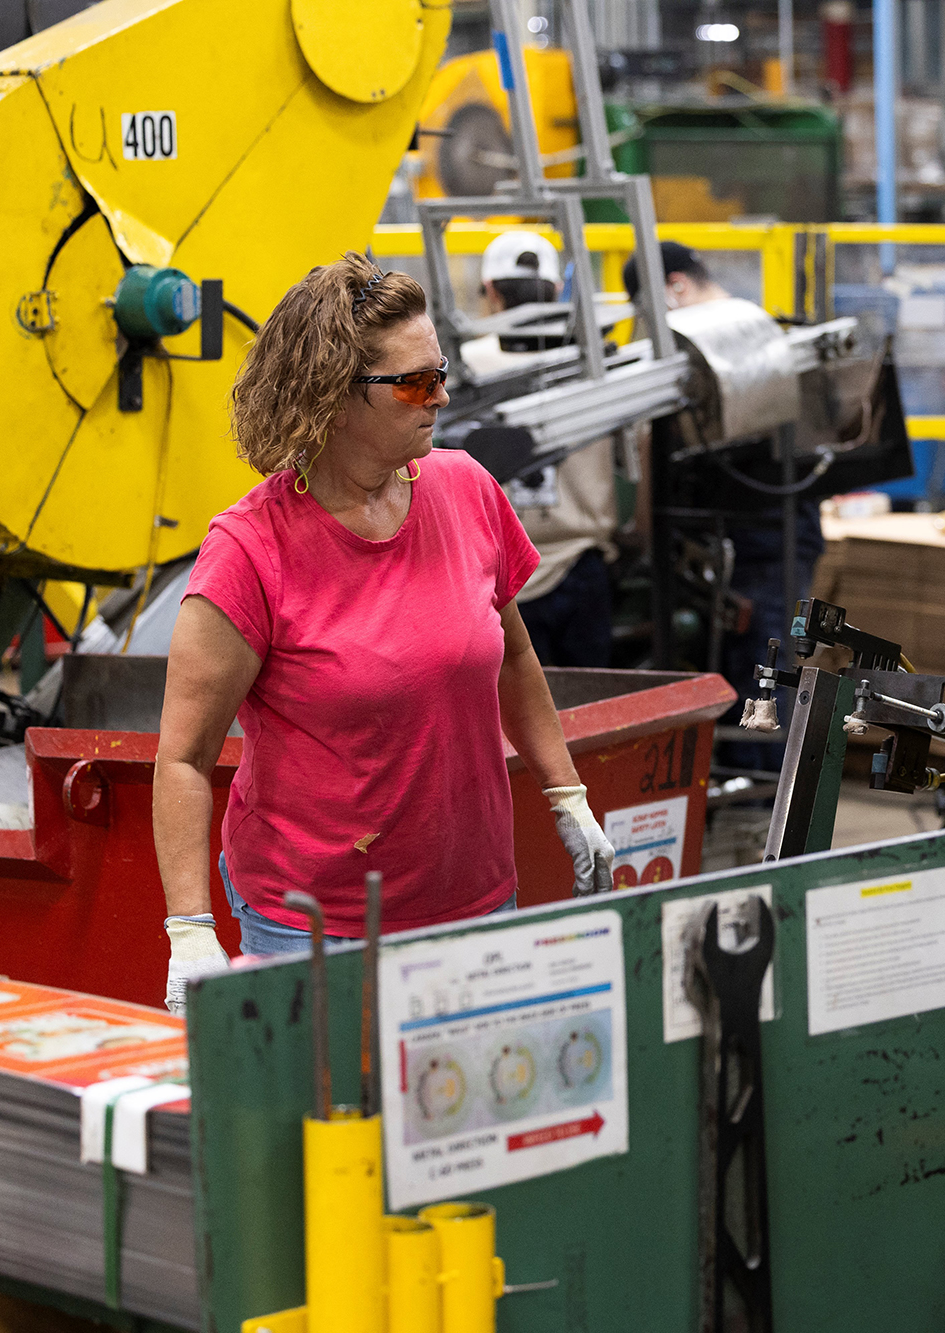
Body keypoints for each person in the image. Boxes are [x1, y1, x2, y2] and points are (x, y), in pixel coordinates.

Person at [154, 252, 616, 1015]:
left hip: (475, 905)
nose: (439, 397)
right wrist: (190, 927)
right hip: (314, 931)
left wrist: (566, 793)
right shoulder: (251, 550)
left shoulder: (466, 490)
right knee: (333, 1134)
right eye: (414, 382)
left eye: (441, 375)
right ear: (334, 396)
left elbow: (515, 657)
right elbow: (182, 758)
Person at [624, 241, 825, 773]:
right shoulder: (743, 346)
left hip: (764, 548)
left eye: (653, 316)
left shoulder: (749, 346)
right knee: (743, 682)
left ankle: (761, 818)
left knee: (761, 686)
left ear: (677, 288)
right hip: (734, 545)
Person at [469, 230, 618, 668]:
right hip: (581, 565)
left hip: (499, 576)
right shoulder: (601, 368)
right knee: (594, 719)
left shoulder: (465, 369)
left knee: (516, 726)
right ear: (555, 289)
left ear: (492, 291)